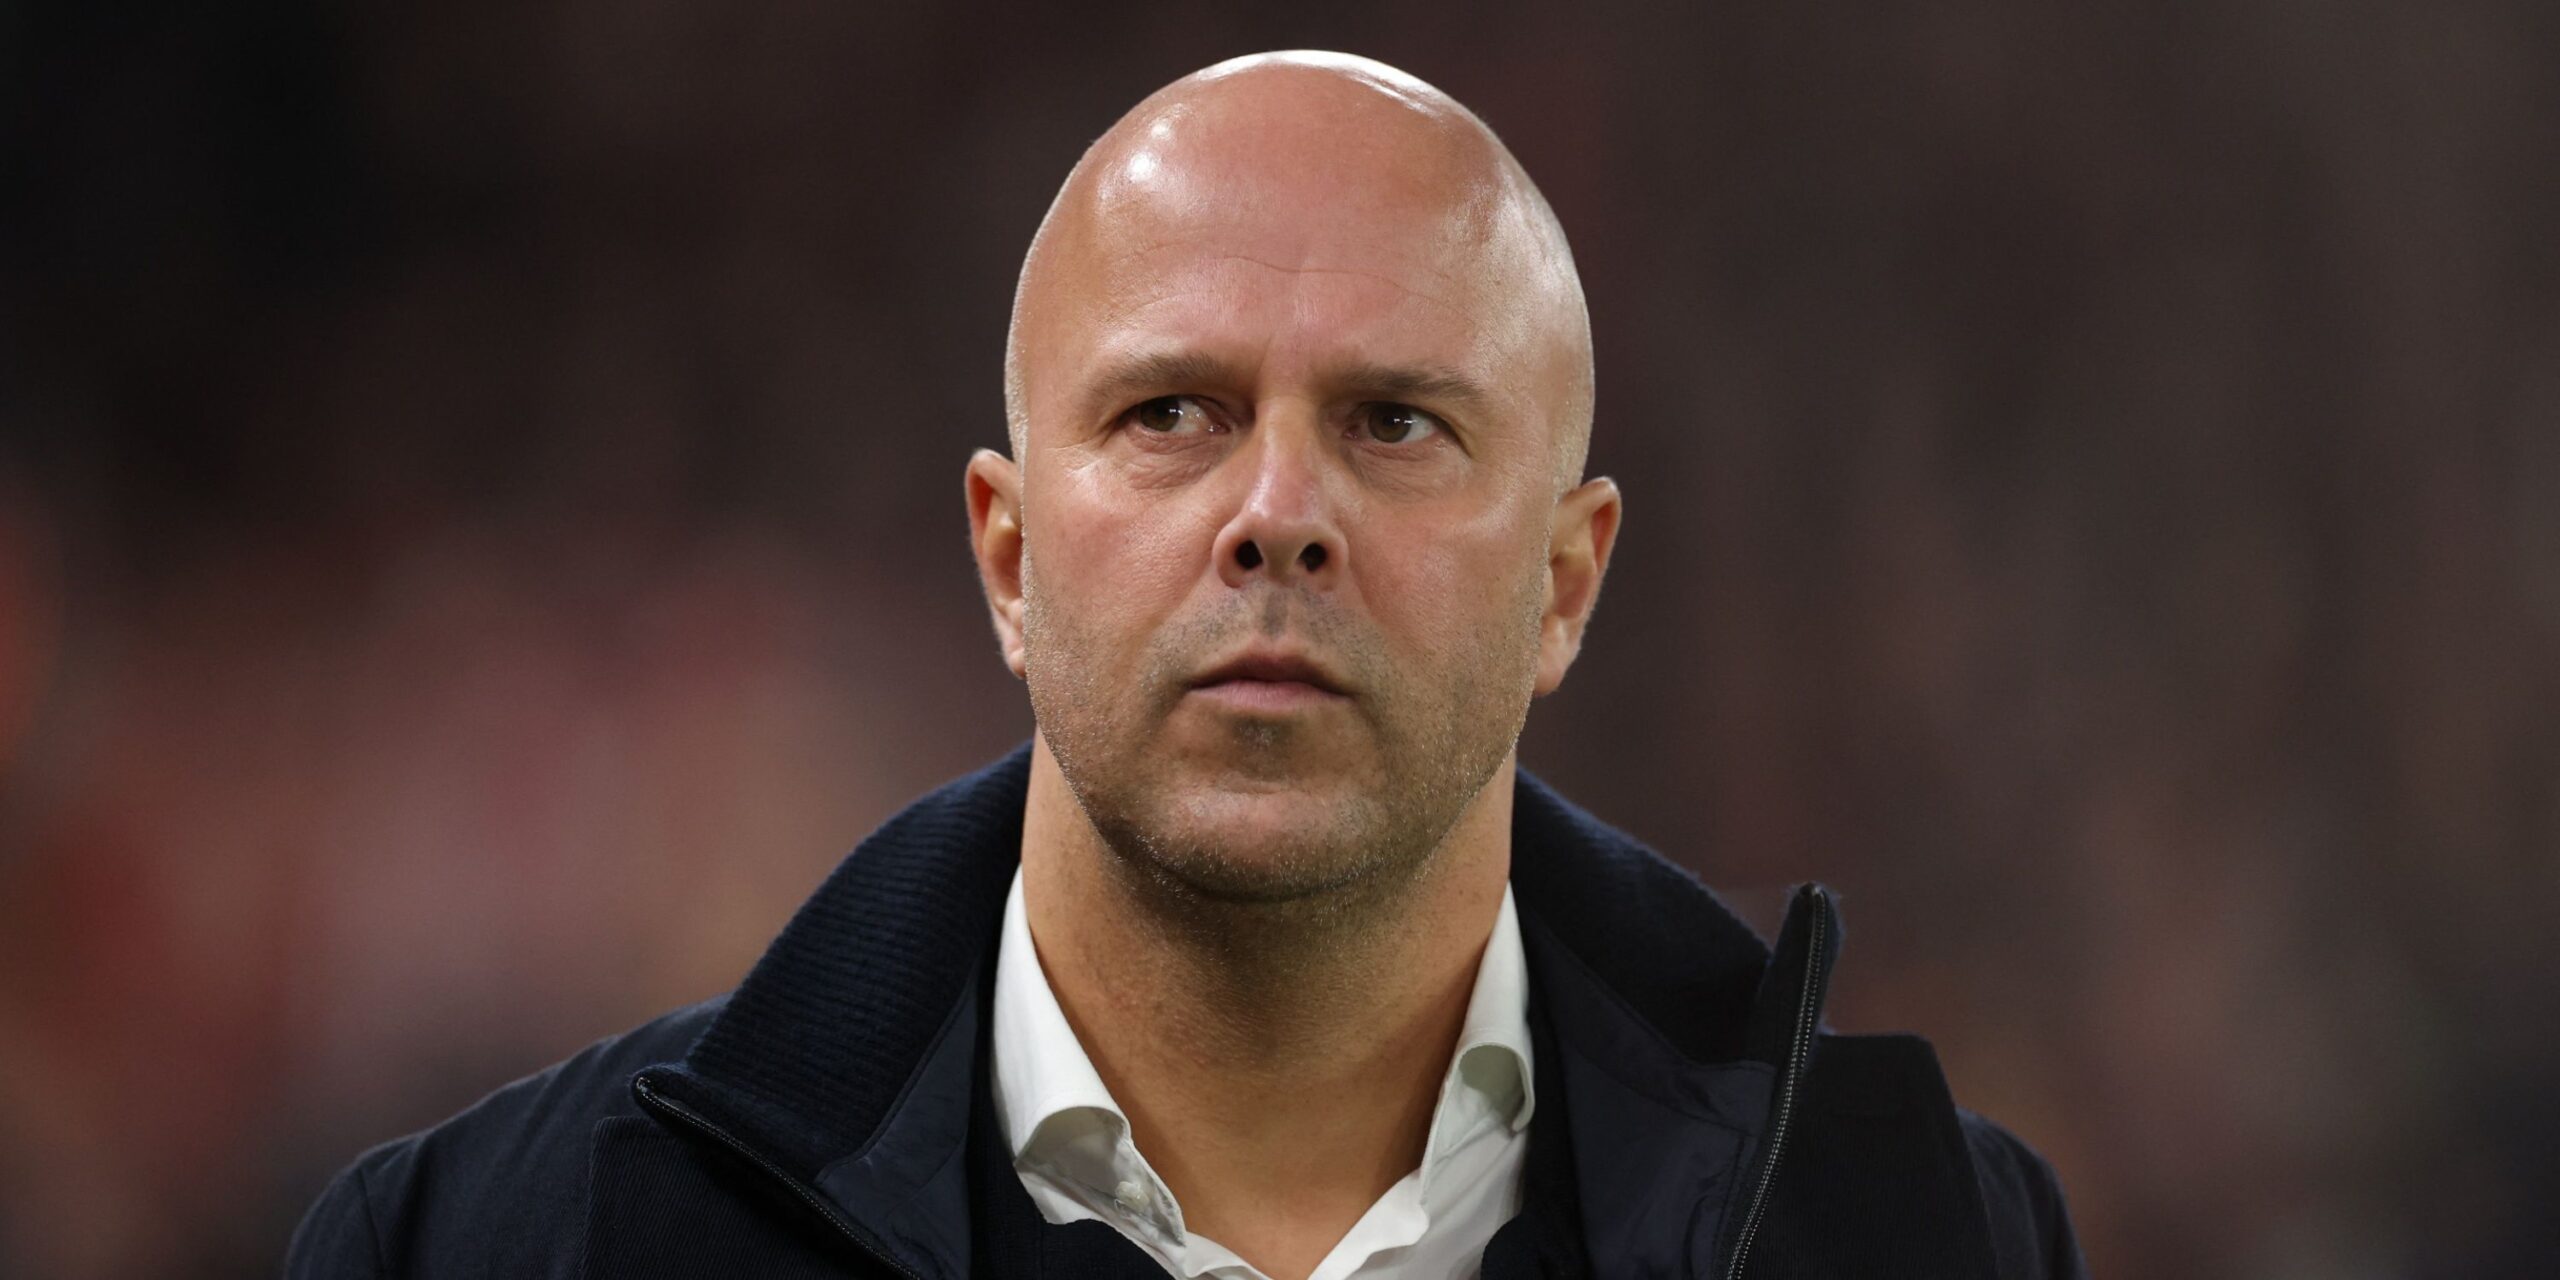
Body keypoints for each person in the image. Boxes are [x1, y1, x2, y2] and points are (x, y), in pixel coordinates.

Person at [287, 51, 2085, 1280]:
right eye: (1172, 414)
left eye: (1394, 423)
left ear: (1565, 581)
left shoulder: (1936, 1237)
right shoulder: (480, 1247)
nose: (1278, 515)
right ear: (1008, 557)